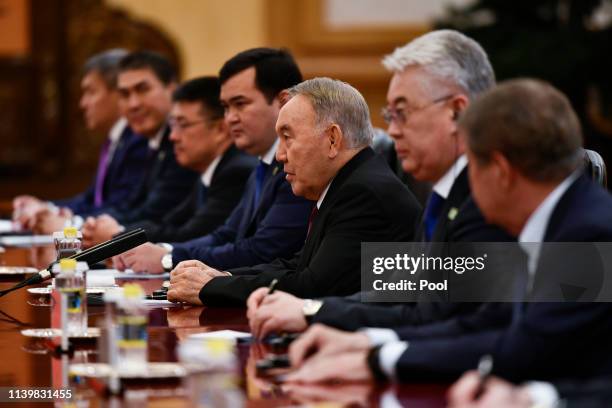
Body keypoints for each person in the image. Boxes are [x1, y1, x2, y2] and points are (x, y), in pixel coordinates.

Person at [282, 79, 612, 384]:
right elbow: (481, 319)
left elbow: (528, 346)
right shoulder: (456, 205)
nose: (393, 132)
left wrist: (374, 353)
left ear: (499, 171)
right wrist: (370, 342)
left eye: (404, 114)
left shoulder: (589, 233)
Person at [247, 29, 513, 339]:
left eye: (402, 113)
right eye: (390, 114)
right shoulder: (446, 197)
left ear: (458, 112)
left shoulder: (494, 202)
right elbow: (397, 292)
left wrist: (365, 349)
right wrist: (310, 312)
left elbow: (456, 324)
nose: (392, 130)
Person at [166, 77, 422, 306]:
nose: (279, 154)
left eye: (287, 137)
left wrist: (212, 288)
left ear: (333, 139)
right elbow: (298, 265)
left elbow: (312, 287)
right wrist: (223, 276)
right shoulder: (348, 181)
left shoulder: (363, 192)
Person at [114, 48, 312, 273]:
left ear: (282, 102)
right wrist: (165, 250)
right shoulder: (263, 164)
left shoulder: (301, 167)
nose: (230, 119)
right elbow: (226, 234)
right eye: (226, 107)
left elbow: (263, 250)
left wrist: (168, 258)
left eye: (240, 104)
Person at [109, 77, 256, 262]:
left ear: (220, 129)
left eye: (183, 125)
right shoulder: (207, 169)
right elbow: (169, 222)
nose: (173, 137)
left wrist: (117, 233)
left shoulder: (236, 172)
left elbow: (188, 234)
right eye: (172, 125)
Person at [12, 49, 149, 232]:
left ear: (118, 94)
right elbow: (90, 199)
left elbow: (120, 208)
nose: (83, 103)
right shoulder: (116, 140)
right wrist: (46, 208)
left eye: (91, 92)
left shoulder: (138, 140)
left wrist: (68, 222)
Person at [81, 51, 198, 247]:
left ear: (172, 89)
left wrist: (115, 233)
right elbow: (134, 205)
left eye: (142, 89)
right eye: (125, 95)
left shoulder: (181, 144)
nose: (133, 104)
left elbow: (156, 213)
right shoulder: (154, 142)